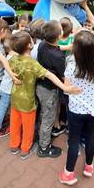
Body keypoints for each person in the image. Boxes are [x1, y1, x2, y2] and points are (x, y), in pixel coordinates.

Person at [8, 31, 80, 160]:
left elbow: (9, 68)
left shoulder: (12, 58)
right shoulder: (32, 63)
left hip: (15, 98)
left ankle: (14, 146)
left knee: (15, 123)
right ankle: (25, 149)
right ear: (30, 45)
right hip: (27, 102)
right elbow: (49, 75)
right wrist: (65, 87)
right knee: (28, 126)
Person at [59, 30, 94, 186]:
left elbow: (66, 88)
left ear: (76, 48)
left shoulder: (71, 65)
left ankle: (68, 173)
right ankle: (89, 167)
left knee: (74, 140)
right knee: (90, 137)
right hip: (93, 109)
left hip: (76, 110)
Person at [36, 21, 66, 158]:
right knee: (49, 117)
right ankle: (44, 147)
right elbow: (63, 76)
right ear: (59, 35)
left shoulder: (43, 44)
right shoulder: (58, 56)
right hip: (50, 90)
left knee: (43, 114)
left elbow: (55, 48)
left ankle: (41, 137)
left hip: (40, 86)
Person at [0, 36, 15, 138]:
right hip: (8, 89)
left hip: (3, 87)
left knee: (1, 107)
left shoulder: (7, 57)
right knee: (3, 109)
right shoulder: (13, 59)